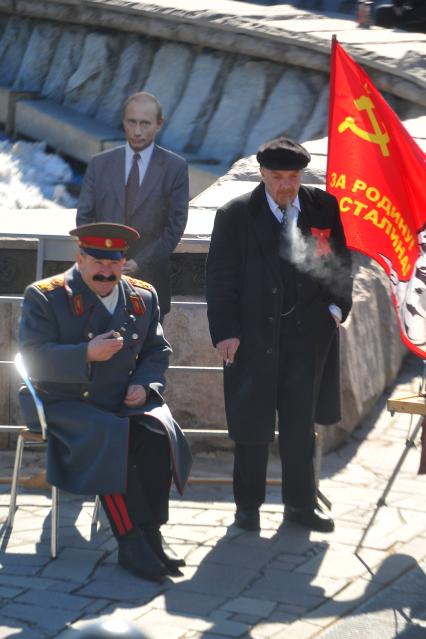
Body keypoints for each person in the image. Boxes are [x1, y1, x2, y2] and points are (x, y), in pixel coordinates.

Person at [18, 222, 192, 582]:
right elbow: (31, 358)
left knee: (158, 433)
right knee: (113, 436)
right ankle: (129, 541)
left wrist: (145, 386)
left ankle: (151, 533)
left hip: (121, 398)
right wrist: (86, 353)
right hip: (63, 401)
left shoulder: (143, 297)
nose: (106, 271)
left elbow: (156, 350)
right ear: (80, 258)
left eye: (114, 262)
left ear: (123, 261)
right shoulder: (46, 295)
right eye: (97, 261)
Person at [206, 137, 353, 533]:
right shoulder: (235, 215)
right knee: (251, 426)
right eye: (277, 177)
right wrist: (225, 333)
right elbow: (220, 280)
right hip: (251, 339)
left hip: (308, 338)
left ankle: (300, 507)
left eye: (293, 177)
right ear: (262, 174)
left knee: (299, 426)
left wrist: (336, 310)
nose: (286, 185)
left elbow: (340, 262)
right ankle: (247, 509)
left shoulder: (323, 207)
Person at [76, 91, 189, 319]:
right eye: (132, 122)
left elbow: (175, 226)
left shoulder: (175, 167)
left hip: (150, 283)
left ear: (159, 124)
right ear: (123, 121)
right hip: (101, 282)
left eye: (145, 123)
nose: (137, 131)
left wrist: (139, 262)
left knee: (149, 353)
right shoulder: (100, 164)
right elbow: (84, 220)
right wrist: (107, 262)